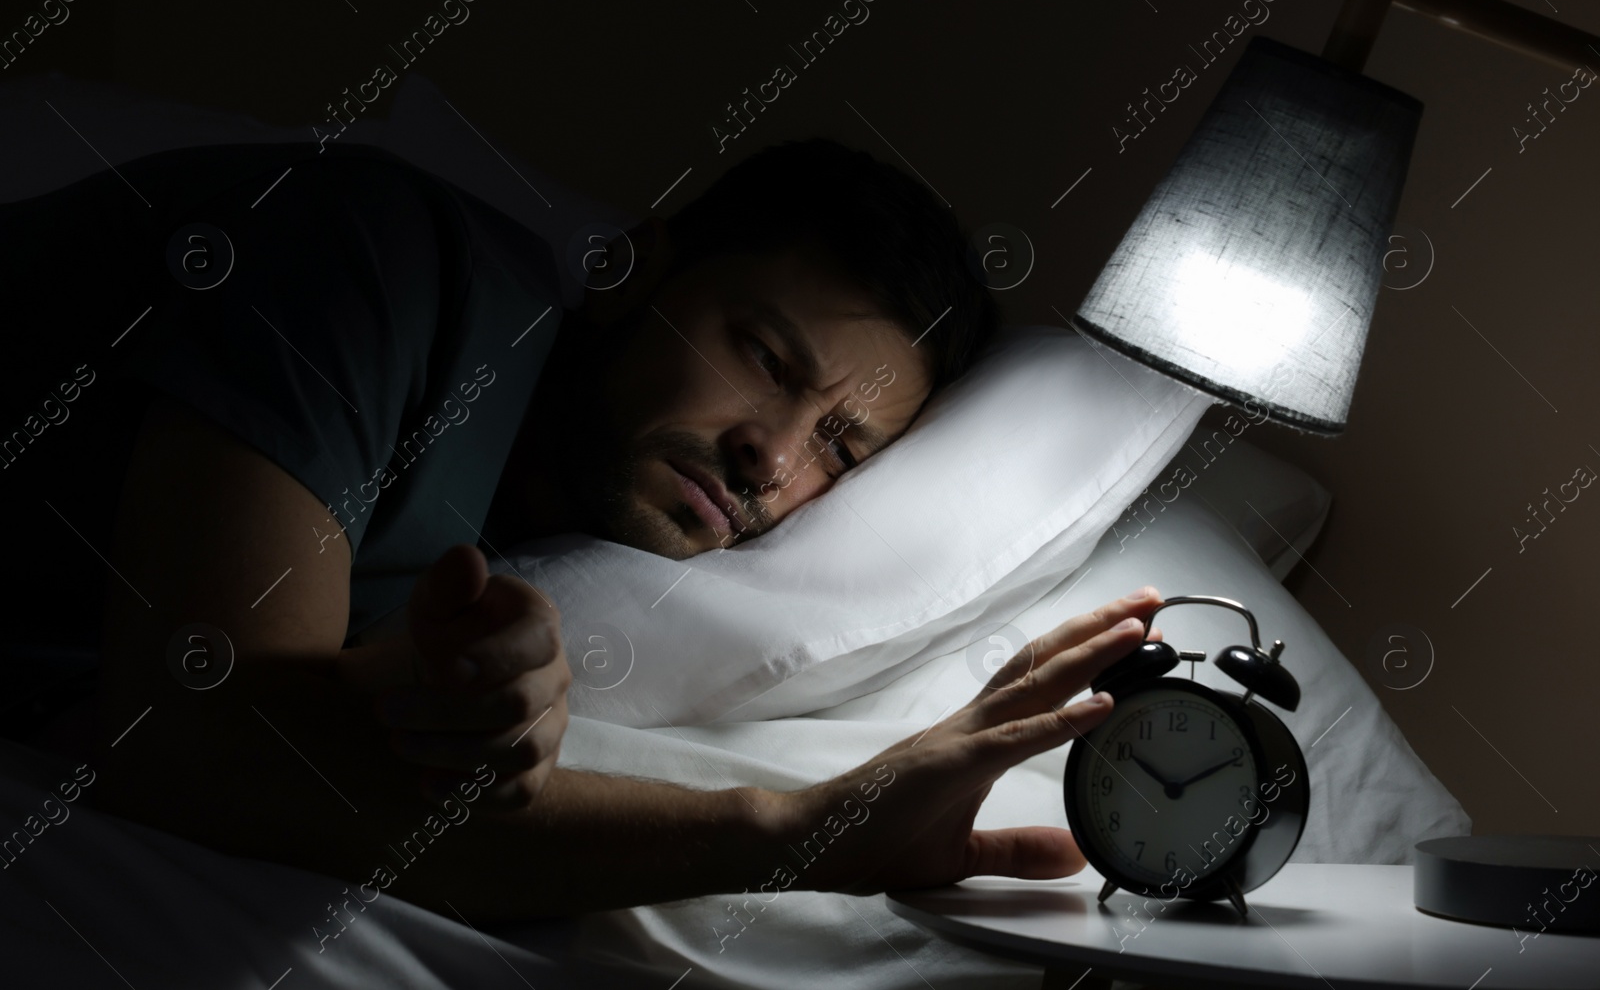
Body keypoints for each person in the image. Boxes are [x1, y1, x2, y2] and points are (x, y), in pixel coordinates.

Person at [0, 134, 1165, 920]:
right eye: (763, 356)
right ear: (628, 272)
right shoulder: (371, 254)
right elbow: (202, 741)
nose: (772, 457)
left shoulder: (540, 533)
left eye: (839, 449)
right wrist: (806, 827)